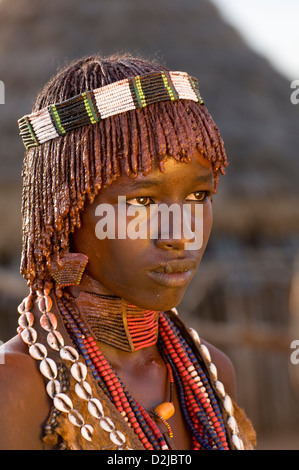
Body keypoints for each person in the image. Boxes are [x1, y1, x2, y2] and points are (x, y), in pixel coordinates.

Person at [0, 54, 256, 450]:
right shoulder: (15, 387)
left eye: (198, 195)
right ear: (64, 211)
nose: (179, 233)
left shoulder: (212, 375)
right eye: (142, 202)